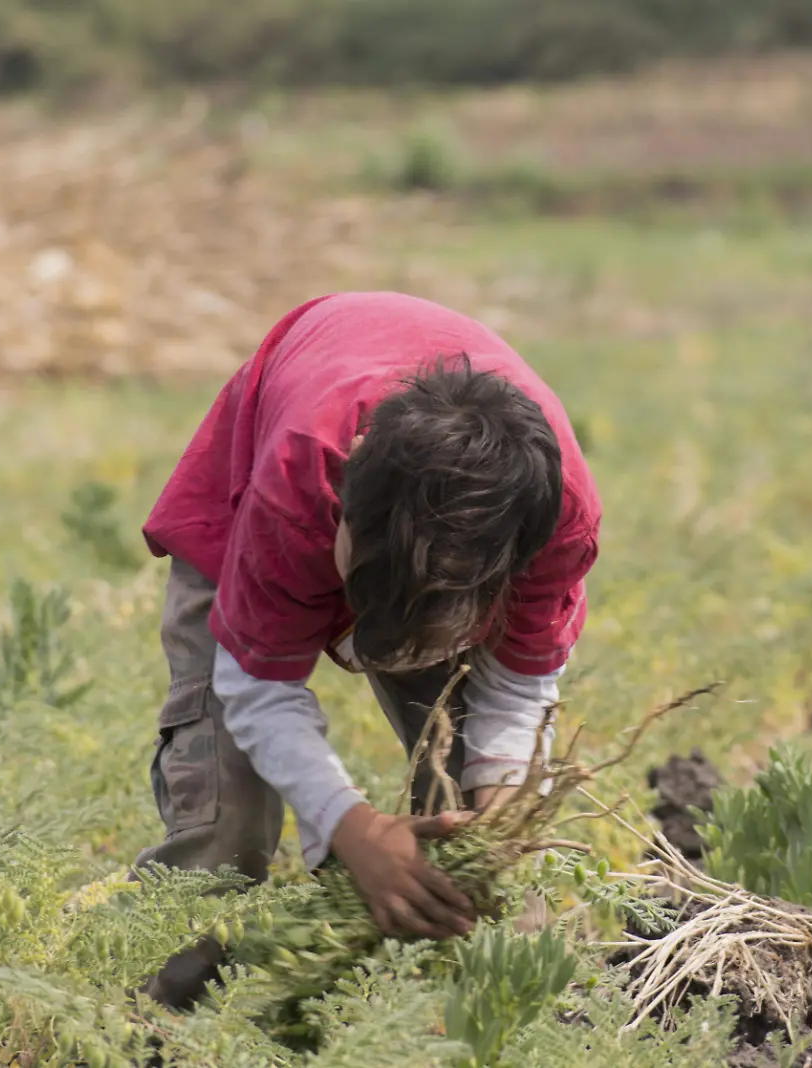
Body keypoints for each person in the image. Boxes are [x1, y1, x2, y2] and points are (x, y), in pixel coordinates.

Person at [132, 291, 600, 1008]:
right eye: (361, 580)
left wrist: (501, 811)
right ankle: (147, 1028)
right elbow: (258, 689)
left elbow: (516, 690)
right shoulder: (298, 477)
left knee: (485, 861)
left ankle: (437, 1027)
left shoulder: (547, 520)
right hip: (258, 508)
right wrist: (354, 829)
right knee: (221, 837)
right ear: (347, 479)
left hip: (460, 550)